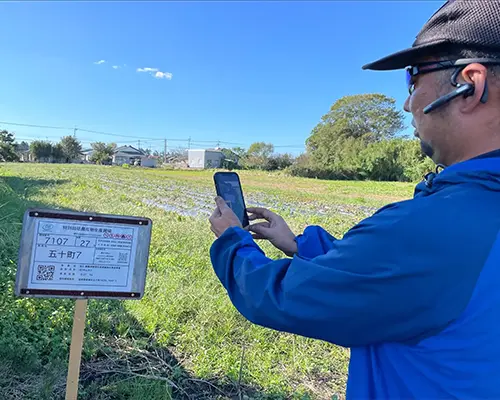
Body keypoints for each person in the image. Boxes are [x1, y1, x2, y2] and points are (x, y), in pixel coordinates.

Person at [209, 1, 500, 398]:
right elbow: (391, 277)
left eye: (413, 78)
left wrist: (232, 241)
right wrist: (299, 244)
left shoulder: (435, 229)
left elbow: (283, 297)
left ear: (471, 83)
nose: (407, 103)